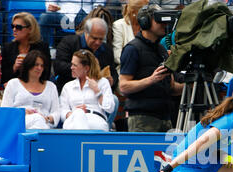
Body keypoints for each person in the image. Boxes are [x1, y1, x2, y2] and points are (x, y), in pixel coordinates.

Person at [119, 4, 183, 132]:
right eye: (159, 20)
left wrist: (190, 86)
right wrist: (152, 79)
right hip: (143, 119)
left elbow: (171, 88)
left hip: (165, 117)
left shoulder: (162, 50)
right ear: (145, 22)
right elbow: (123, 87)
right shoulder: (132, 49)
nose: (164, 24)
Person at [54, 17, 118, 94]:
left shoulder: (107, 49)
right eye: (94, 38)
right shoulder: (69, 43)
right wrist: (86, 71)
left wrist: (111, 81)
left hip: (97, 91)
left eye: (101, 39)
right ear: (86, 33)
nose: (97, 42)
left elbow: (113, 72)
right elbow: (59, 66)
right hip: (71, 90)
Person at [0, 50, 60, 129]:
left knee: (39, 120)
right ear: (28, 65)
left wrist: (47, 119)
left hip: (44, 123)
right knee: (37, 119)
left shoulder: (51, 86)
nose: (39, 68)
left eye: (42, 66)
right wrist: (22, 112)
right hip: (20, 123)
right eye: (36, 65)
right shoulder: (13, 84)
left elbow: (56, 112)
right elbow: (5, 110)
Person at [59, 50, 115, 131]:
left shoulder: (102, 82)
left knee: (79, 116)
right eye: (72, 64)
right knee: (79, 113)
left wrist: (97, 91)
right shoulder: (68, 86)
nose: (71, 67)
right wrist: (73, 114)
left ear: (86, 68)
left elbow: (110, 108)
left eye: (75, 65)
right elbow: (63, 110)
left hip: (95, 120)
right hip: (73, 120)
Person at [1, 12, 51, 85]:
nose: (14, 29)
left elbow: (46, 74)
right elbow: (2, 77)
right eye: (13, 26)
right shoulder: (7, 48)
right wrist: (14, 67)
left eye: (18, 27)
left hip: (35, 87)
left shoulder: (42, 48)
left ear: (30, 29)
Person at [39, 0, 106, 47]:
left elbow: (99, 4)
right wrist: (52, 6)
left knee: (96, 21)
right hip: (62, 13)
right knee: (45, 17)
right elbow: (51, 2)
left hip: (86, 15)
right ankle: (44, 51)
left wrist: (94, 14)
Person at [112, 0, 149, 73]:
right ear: (134, 12)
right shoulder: (118, 25)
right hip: (125, 70)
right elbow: (117, 56)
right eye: (144, 10)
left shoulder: (147, 25)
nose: (148, 13)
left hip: (146, 70)